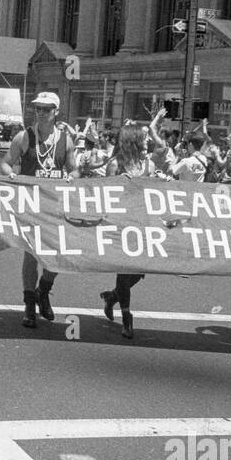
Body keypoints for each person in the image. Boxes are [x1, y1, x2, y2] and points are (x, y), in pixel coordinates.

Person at [1, 91, 80, 327]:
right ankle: (28, 304)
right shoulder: (24, 137)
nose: (41, 113)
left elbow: (74, 169)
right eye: (38, 108)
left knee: (57, 255)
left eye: (46, 109)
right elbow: (6, 162)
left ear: (56, 112)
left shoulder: (65, 140)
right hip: (31, 204)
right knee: (31, 254)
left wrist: (70, 177)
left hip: (55, 205)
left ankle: (43, 290)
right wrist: (11, 173)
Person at [98, 122, 155, 339]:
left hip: (142, 224)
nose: (148, 141)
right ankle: (127, 317)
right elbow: (104, 193)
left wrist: (165, 181)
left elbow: (156, 189)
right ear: (134, 141)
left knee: (139, 271)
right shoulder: (115, 165)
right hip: (120, 225)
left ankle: (112, 296)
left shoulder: (147, 165)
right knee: (124, 271)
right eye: (144, 138)